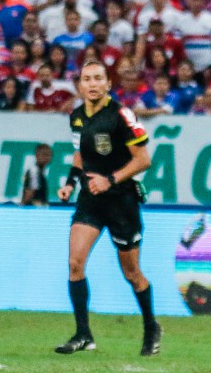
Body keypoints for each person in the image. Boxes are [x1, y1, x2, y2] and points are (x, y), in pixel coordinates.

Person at [56, 60, 158, 355]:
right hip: (91, 198)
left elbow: (143, 160)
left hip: (122, 201)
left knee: (132, 273)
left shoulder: (121, 115)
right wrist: (70, 184)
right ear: (79, 85)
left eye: (98, 78)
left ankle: (151, 326)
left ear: (108, 83)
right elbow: (80, 156)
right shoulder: (76, 117)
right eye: (86, 79)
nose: (92, 84)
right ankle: (83, 334)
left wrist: (110, 180)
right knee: (75, 263)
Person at [20, 142, 56, 207]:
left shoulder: (40, 172)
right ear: (37, 155)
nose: (47, 157)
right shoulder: (34, 172)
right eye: (44, 155)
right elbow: (30, 193)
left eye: (49, 155)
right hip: (34, 211)